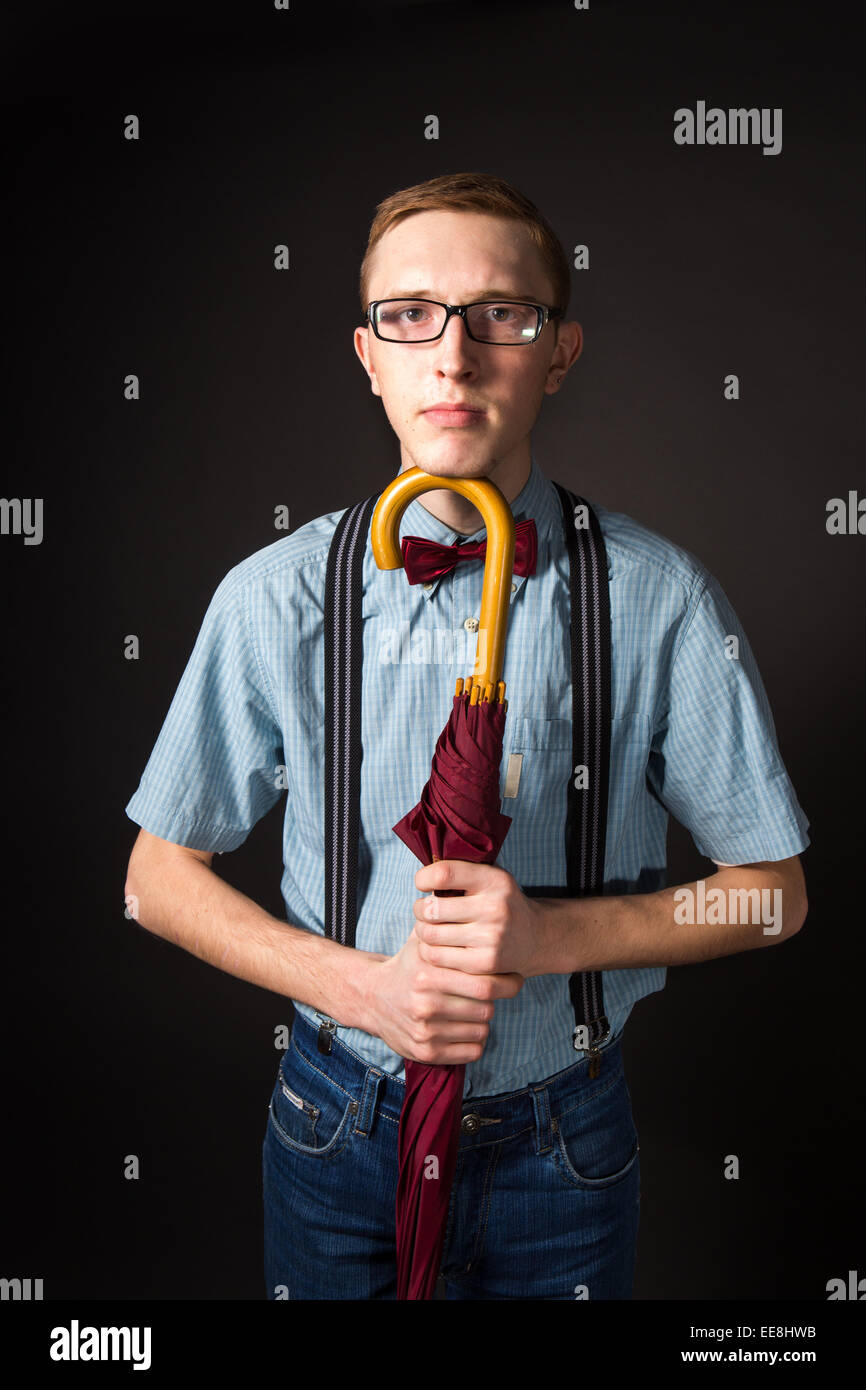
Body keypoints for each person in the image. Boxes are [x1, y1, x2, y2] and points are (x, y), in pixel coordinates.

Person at [123, 171, 810, 1301]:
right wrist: (356, 989)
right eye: (412, 316)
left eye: (501, 314)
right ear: (369, 354)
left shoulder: (661, 597)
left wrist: (554, 938)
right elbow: (154, 878)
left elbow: (772, 894)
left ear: (559, 349)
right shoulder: (272, 596)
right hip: (333, 1123)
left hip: (565, 1143)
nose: (454, 355)